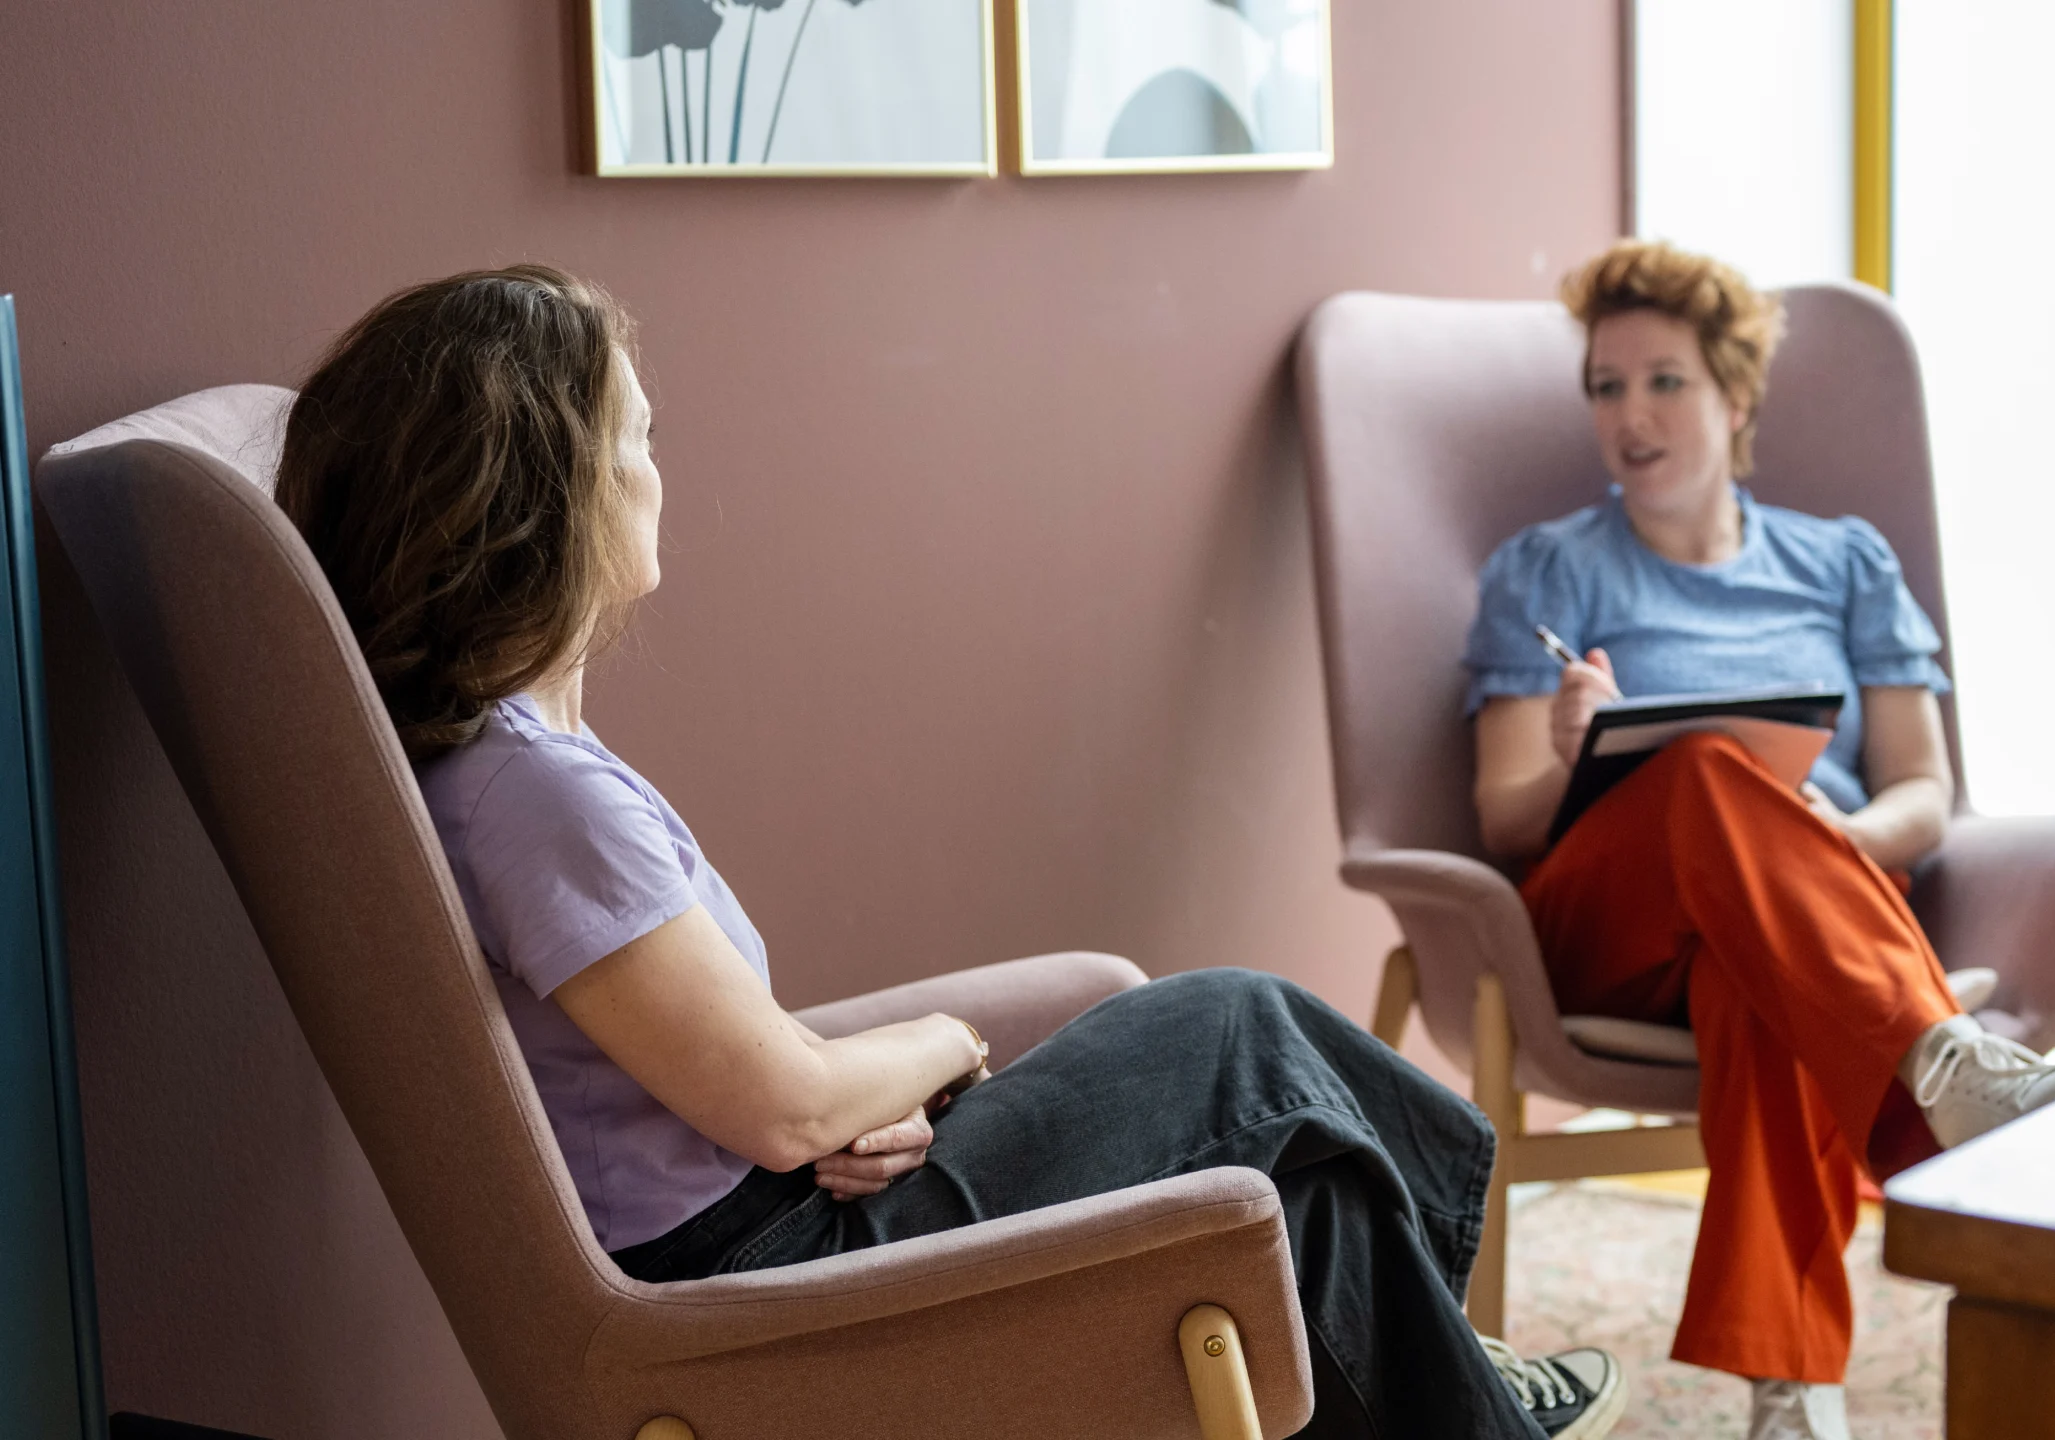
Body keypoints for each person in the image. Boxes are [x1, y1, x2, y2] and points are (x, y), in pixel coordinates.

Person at [275, 265, 1627, 1440]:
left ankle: (1461, 1390)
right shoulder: (537, 801)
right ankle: (1478, 1391)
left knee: (1303, 1195)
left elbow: (745, 1095)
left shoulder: (502, 773)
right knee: (1242, 1033)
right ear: (544, 499)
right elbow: (784, 1107)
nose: (656, 470)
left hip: (778, 1210)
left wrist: (832, 1113)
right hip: (772, 1276)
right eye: (634, 438)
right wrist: (936, 1049)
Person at [1463, 240, 2055, 1440]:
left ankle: (1789, 1396)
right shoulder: (1545, 571)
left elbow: (1922, 790)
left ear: (1735, 397)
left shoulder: (1843, 561)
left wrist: (1824, 839)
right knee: (1704, 765)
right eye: (1605, 386)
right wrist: (1569, 749)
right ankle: (1937, 1050)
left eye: (1663, 381)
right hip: (1608, 926)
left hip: (1792, 919)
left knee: (1757, 977)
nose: (1629, 415)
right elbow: (1501, 817)